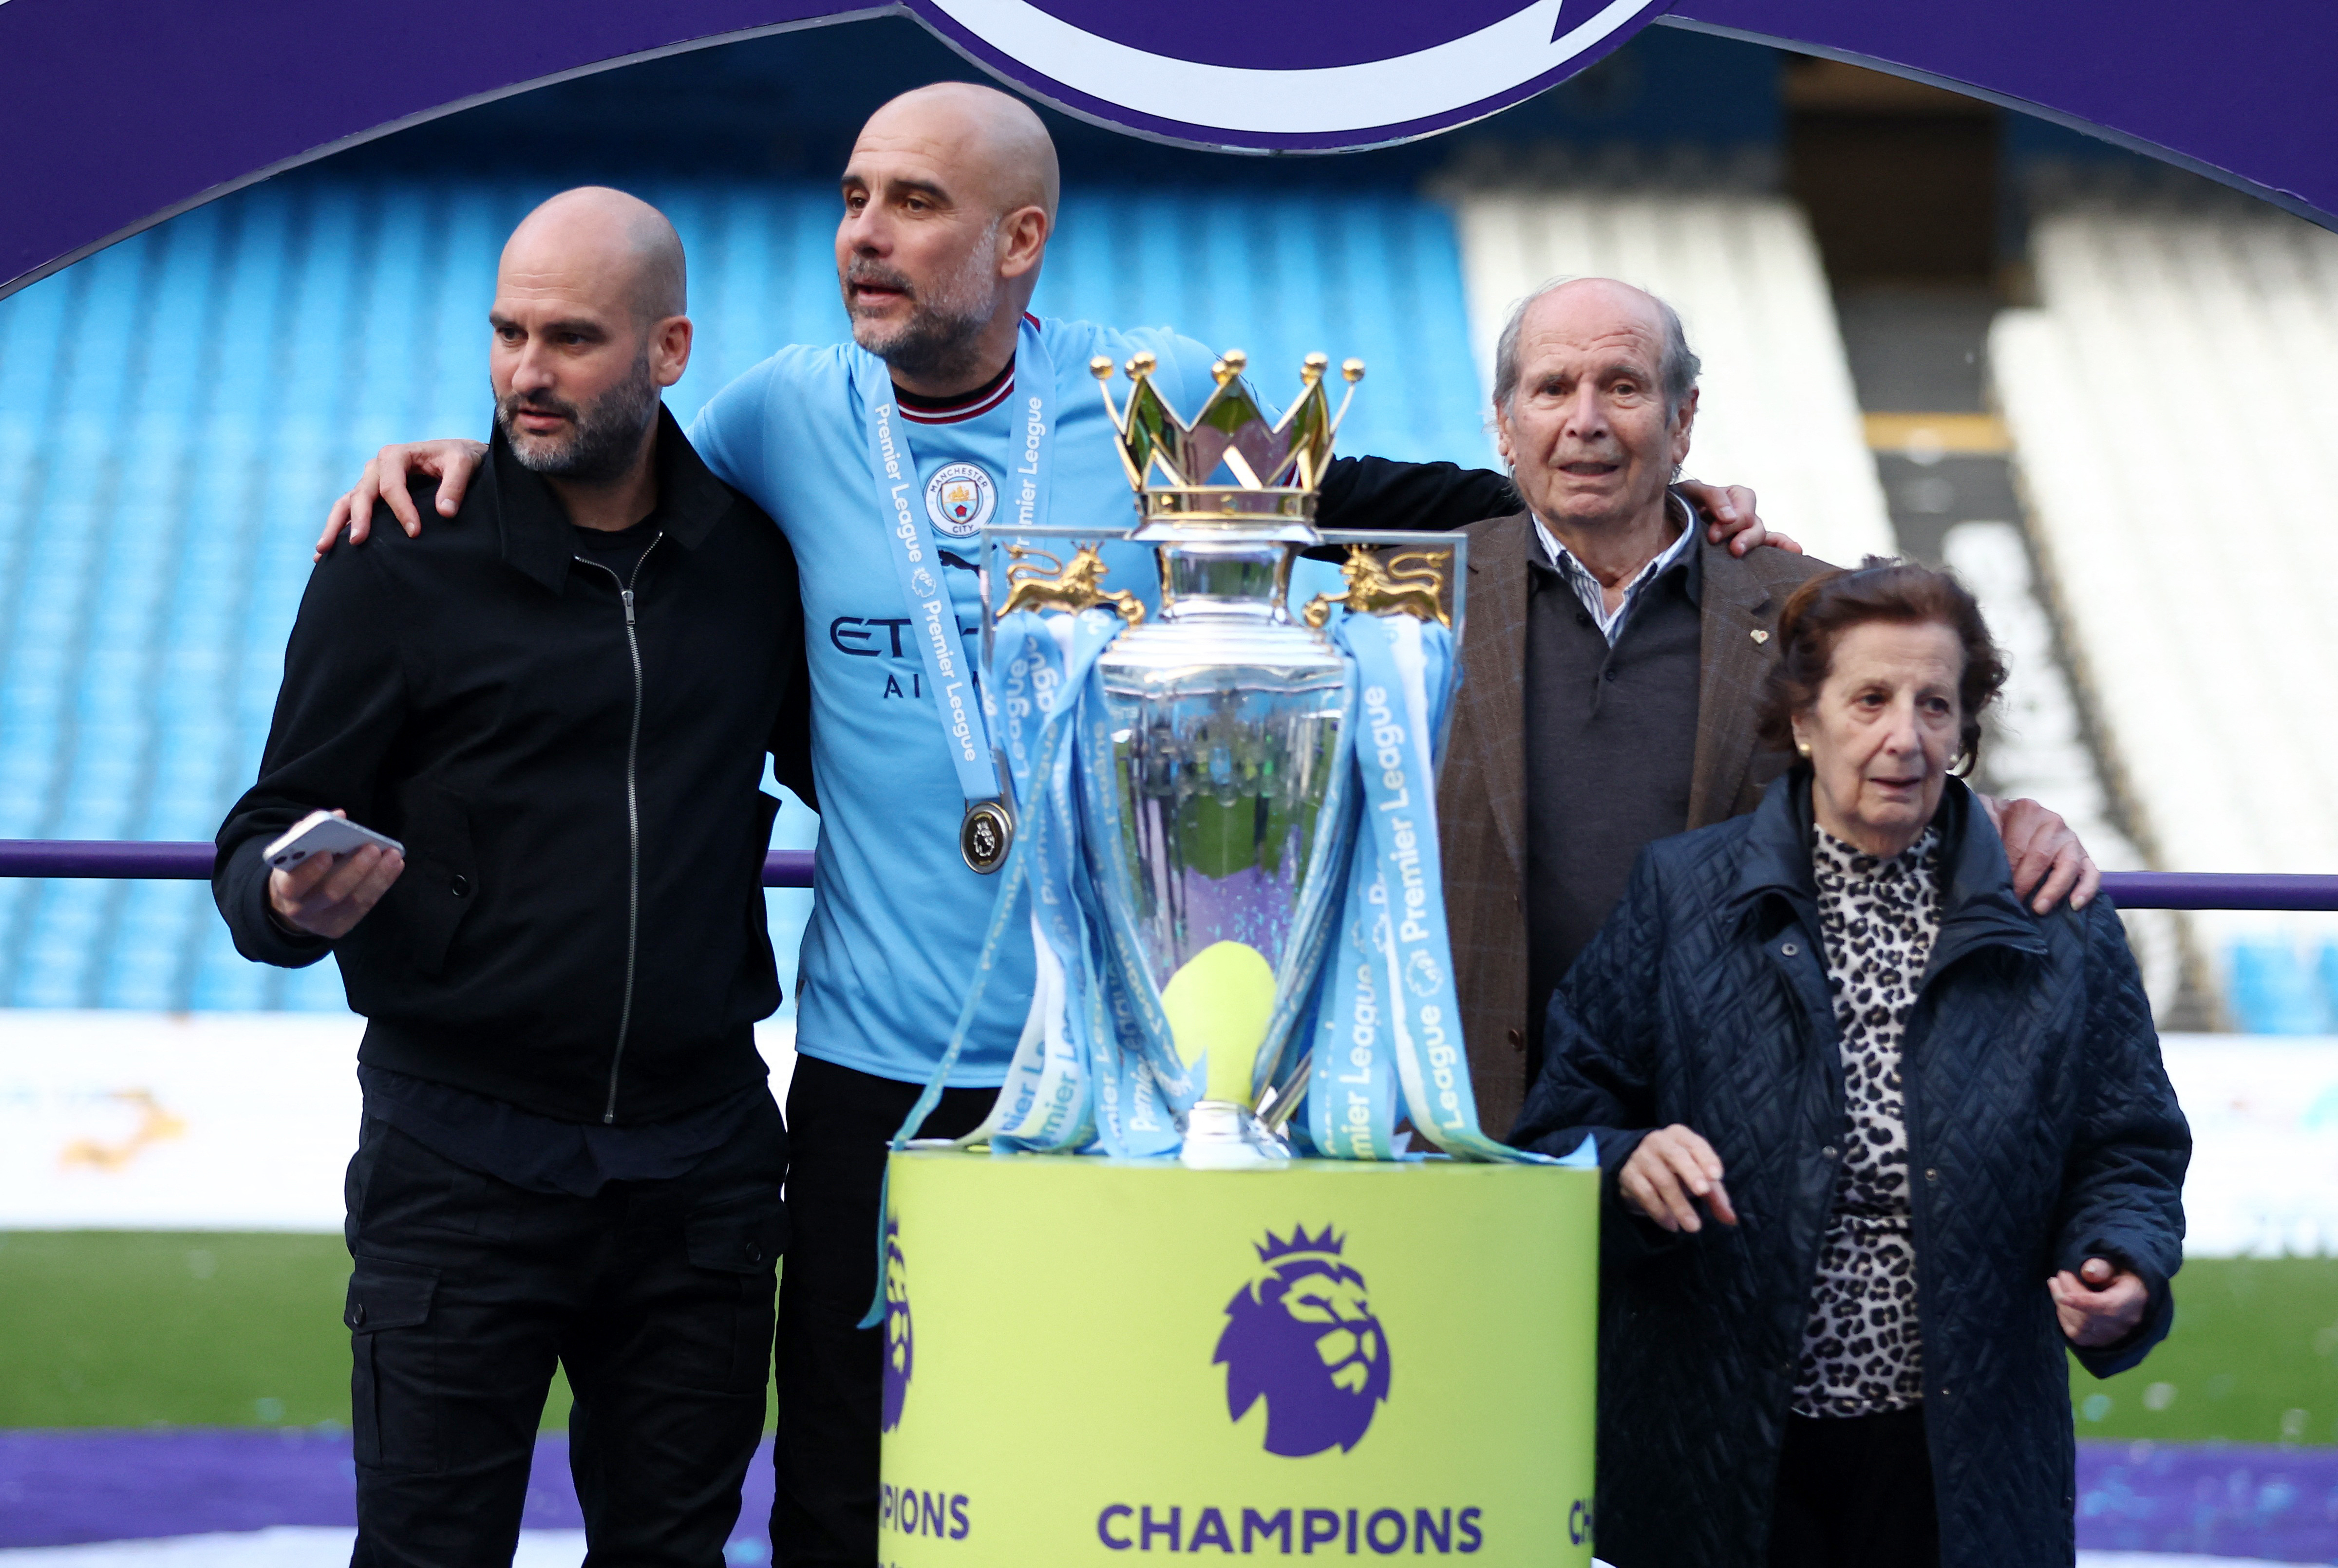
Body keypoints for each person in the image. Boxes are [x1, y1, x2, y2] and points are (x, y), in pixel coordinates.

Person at [309, 85, 1795, 1568]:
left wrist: (1670, 504)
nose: (866, 238)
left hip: (1120, 1077)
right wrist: (443, 456)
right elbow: (598, 461)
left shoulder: (1157, 418)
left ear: (1021, 240)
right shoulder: (777, 420)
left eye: (914, 204)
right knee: (842, 1491)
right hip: (871, 1074)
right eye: (852, 197)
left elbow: (1429, 511)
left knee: (1107, 1479)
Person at [214, 188, 802, 1567]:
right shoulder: (396, 555)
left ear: (668, 349)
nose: (527, 372)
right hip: (459, 1159)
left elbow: (862, 768)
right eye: (507, 332)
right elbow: (264, 829)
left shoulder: (757, 565)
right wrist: (287, 899)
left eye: (573, 339)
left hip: (703, 1159)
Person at [1510, 560, 2188, 1568]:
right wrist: (1626, 1161)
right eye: (1869, 699)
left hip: (1957, 1454)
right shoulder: (1682, 893)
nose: (1903, 737)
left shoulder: (2058, 918)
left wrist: (2123, 1260)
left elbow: (2128, 1143)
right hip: (1723, 1437)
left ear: (1966, 733)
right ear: (1803, 719)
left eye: (1935, 705)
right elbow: (1561, 1119)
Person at [1438, 278, 2100, 1135]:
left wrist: (2004, 820)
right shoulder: (1410, 597)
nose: (1586, 420)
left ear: (1683, 420)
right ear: (1505, 421)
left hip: (1730, 1150)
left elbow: (1896, 789)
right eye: (1553, 389)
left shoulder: (1815, 613)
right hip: (1474, 1133)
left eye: (1625, 387)